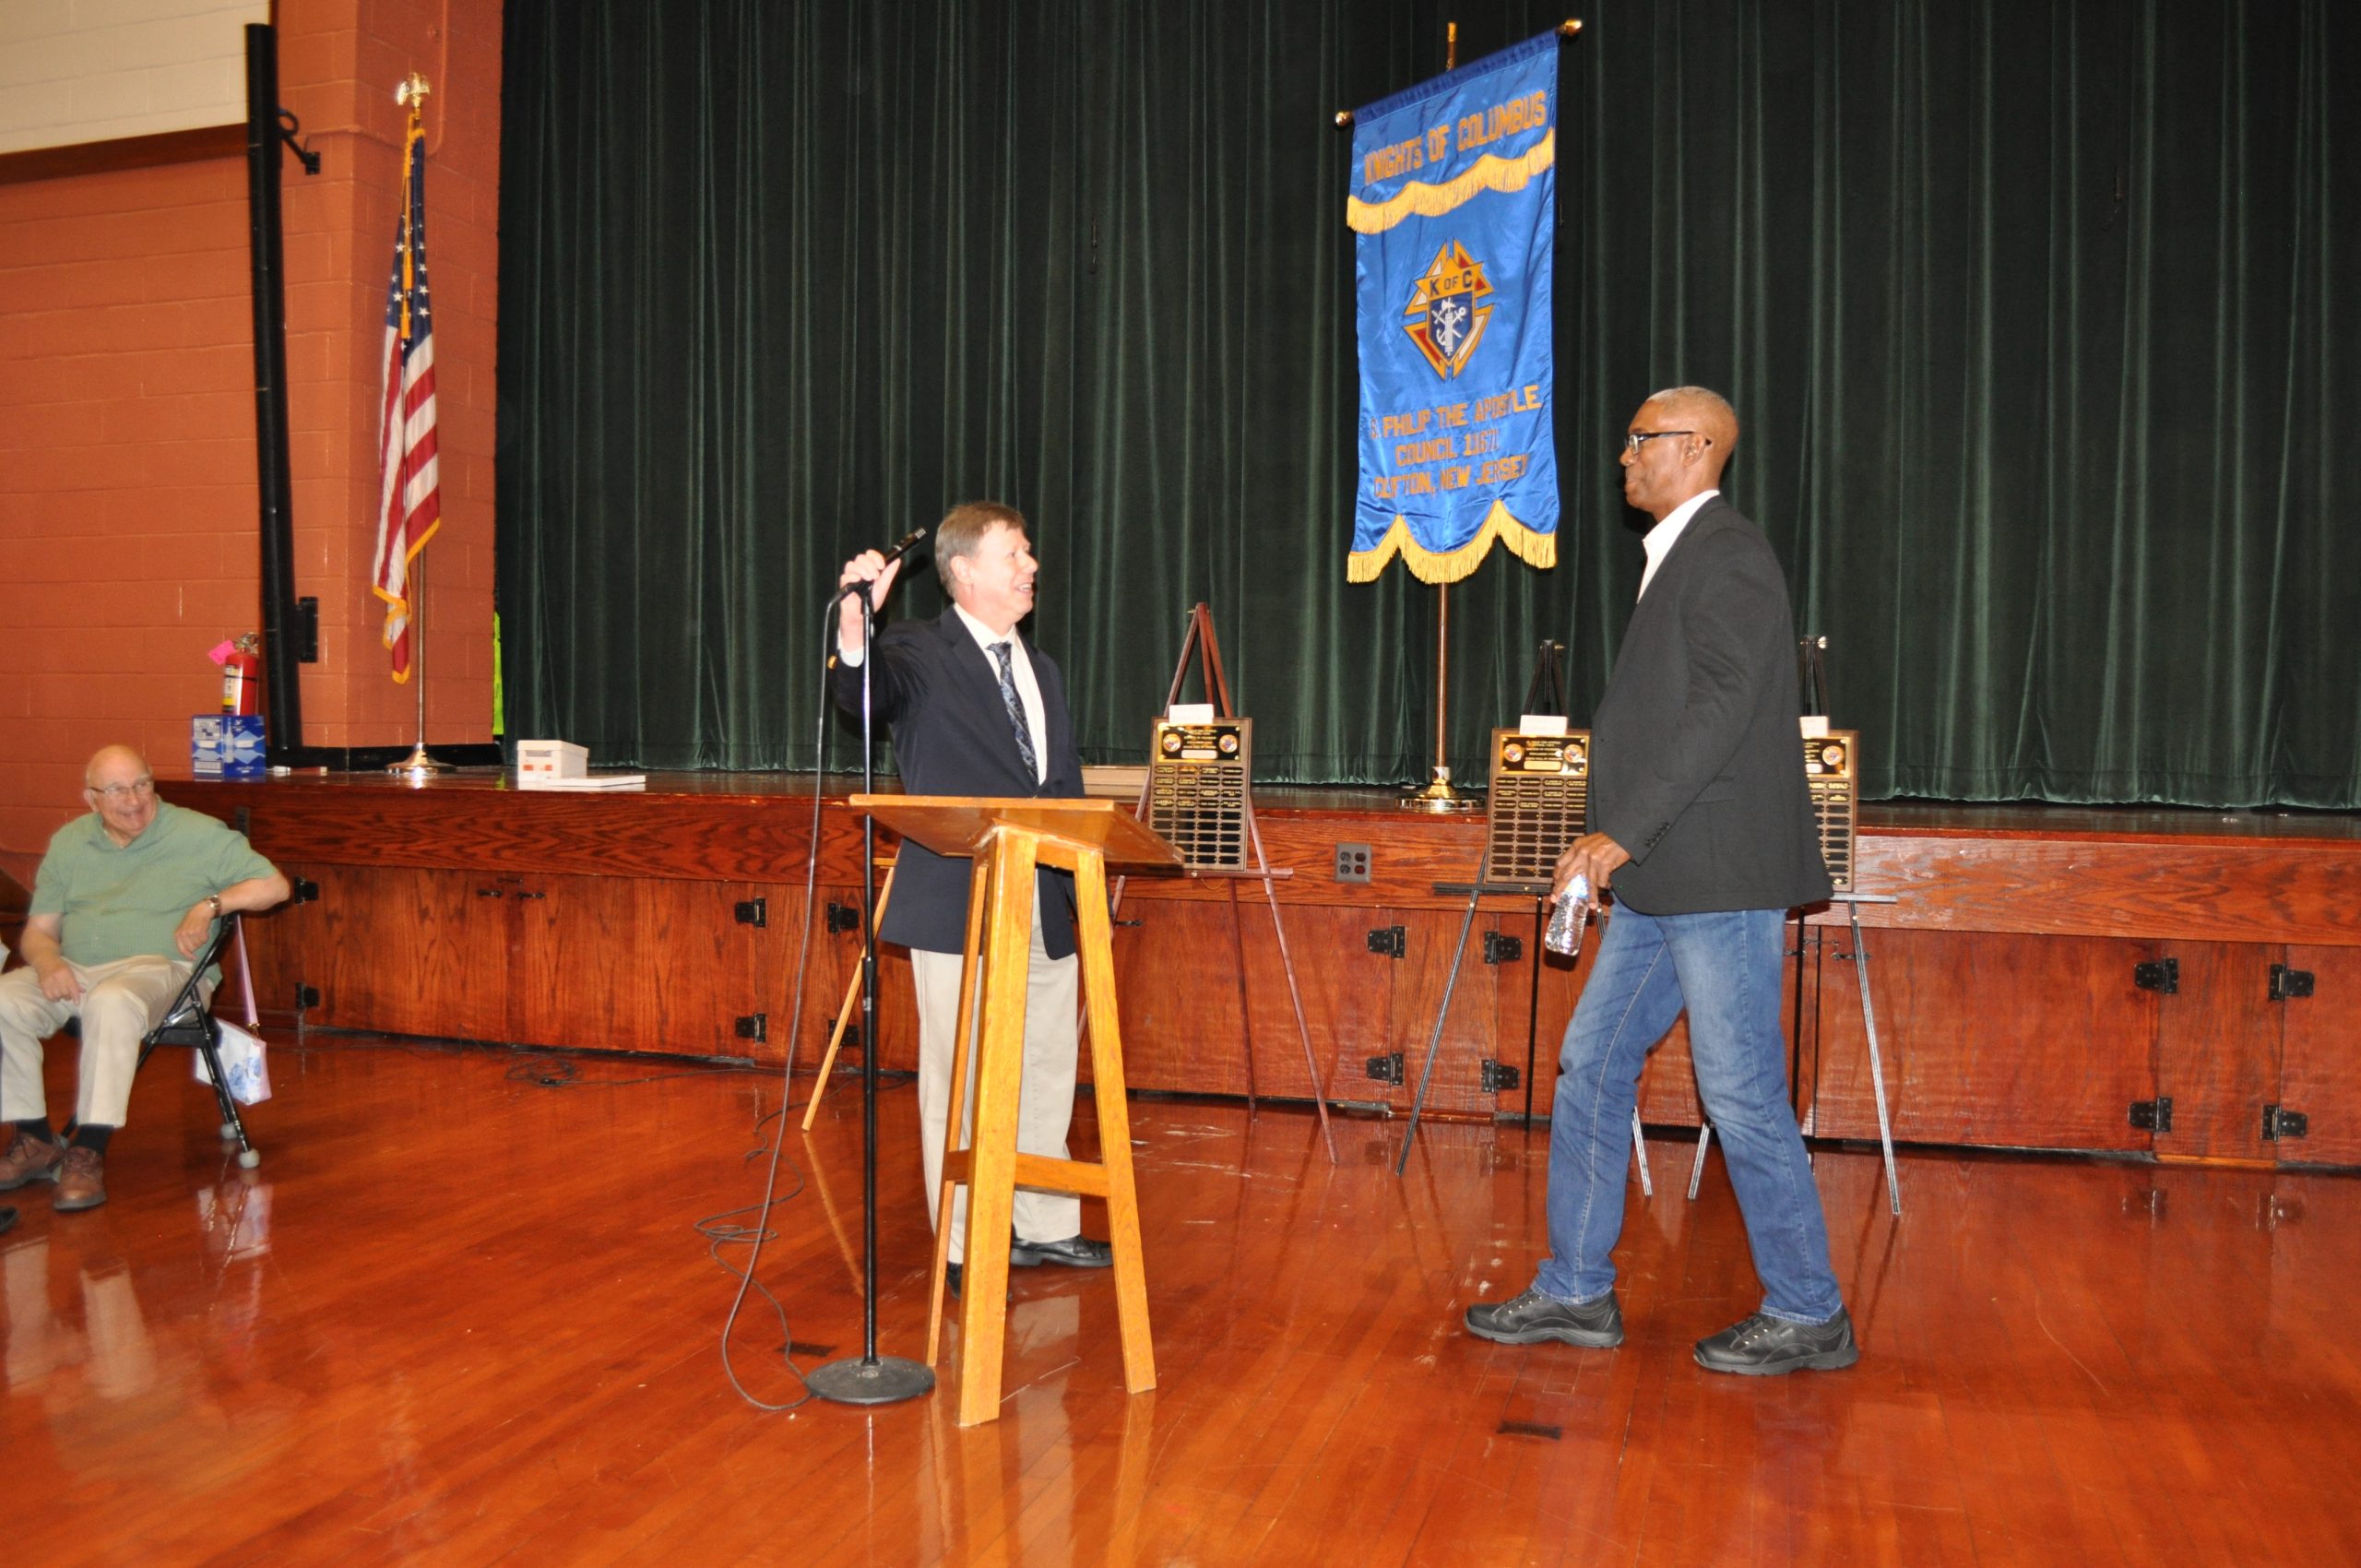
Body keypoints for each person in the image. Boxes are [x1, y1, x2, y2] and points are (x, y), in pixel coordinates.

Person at [1464, 387, 1856, 1375]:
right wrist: (1623, 843)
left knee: (1740, 1092)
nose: (1625, 455)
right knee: (1591, 1065)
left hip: (1713, 873)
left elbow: (1725, 708)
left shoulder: (1725, 553)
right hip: (1665, 877)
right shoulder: (1678, 556)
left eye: (1642, 439)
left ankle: (1809, 1308)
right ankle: (1575, 1289)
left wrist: (1619, 836)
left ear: (1697, 446)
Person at [830, 502, 1112, 1295]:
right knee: (959, 1078)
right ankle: (962, 1237)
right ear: (962, 570)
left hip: (1044, 900)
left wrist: (1083, 886)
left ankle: (1044, 1223)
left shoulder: (1043, 669)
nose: (1031, 566)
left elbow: (1060, 789)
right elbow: (864, 698)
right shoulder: (919, 648)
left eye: (1029, 553)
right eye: (1014, 554)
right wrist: (855, 627)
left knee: (1045, 1070)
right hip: (958, 900)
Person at [0, 745, 290, 1212]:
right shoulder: (71, 842)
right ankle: (34, 1139)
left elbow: (275, 886)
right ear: (91, 798)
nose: (133, 800)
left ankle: (88, 1150)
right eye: (116, 790)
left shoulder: (198, 834)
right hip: (77, 969)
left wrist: (210, 905)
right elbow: (38, 932)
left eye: (142, 785)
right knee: (4, 1000)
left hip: (165, 971)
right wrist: (49, 963)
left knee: (112, 1000)